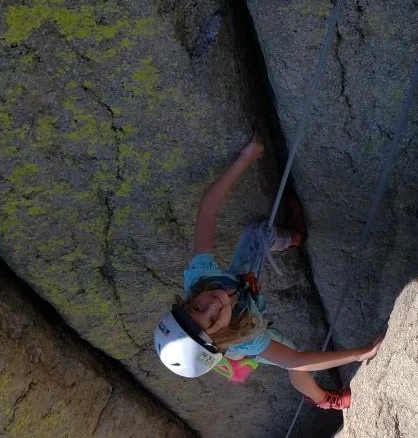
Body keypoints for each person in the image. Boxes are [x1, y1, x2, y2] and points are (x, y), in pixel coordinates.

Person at [154, 132, 383, 409]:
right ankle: (323, 399)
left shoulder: (200, 278)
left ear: (188, 302)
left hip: (241, 284)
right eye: (212, 319)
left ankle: (294, 236)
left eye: (198, 308)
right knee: (295, 362)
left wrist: (245, 158)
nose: (212, 304)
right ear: (220, 336)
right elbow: (297, 361)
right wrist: (361, 353)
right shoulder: (247, 338)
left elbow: (207, 210)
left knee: (257, 234)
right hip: (248, 317)